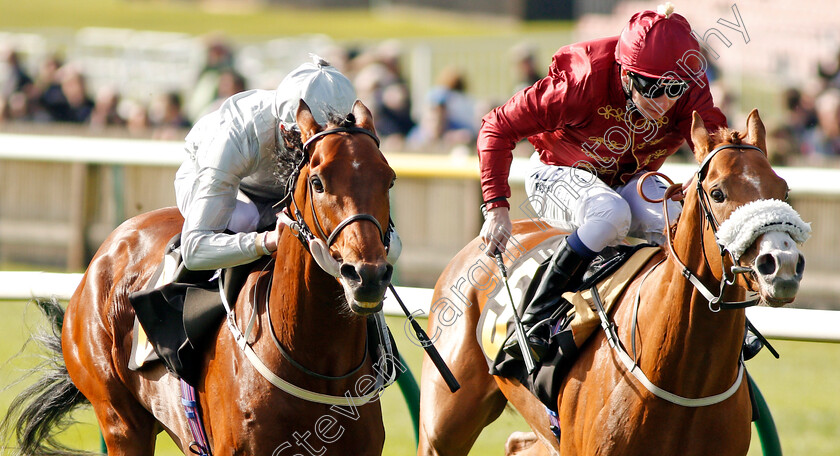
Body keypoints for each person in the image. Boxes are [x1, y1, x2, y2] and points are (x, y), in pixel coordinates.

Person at [478, 4, 727, 360]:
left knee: (682, 217)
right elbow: (496, 127)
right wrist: (496, 207)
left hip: (627, 178)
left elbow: (715, 151)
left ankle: (716, 319)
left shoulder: (688, 86)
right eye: (651, 87)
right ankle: (537, 313)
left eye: (674, 89)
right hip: (557, 172)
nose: (665, 101)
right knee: (611, 213)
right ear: (626, 75)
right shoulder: (581, 80)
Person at [174, 56, 356, 271]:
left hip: (278, 193)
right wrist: (268, 240)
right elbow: (195, 250)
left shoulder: (354, 139)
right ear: (283, 129)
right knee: (244, 219)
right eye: (302, 139)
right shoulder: (236, 135)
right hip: (224, 181)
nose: (313, 154)